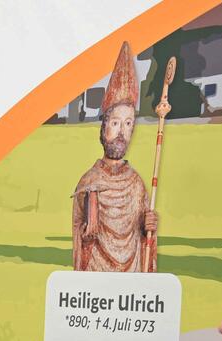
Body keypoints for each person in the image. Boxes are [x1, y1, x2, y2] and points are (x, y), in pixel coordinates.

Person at [71, 41, 159, 272]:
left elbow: (144, 240)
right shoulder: (89, 182)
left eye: (128, 124)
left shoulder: (136, 184)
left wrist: (148, 228)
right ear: (104, 127)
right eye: (115, 123)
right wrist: (86, 233)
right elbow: (79, 238)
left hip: (130, 280)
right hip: (97, 279)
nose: (121, 132)